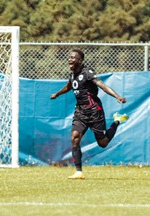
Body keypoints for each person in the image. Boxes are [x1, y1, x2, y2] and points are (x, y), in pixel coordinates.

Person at [50, 49, 129, 179]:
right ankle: (78, 172)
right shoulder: (72, 74)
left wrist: (117, 96)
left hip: (94, 111)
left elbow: (102, 85)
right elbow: (69, 86)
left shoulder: (87, 73)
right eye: (69, 57)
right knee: (75, 137)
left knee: (102, 143)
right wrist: (57, 94)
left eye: (73, 58)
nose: (70, 59)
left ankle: (117, 120)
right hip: (80, 111)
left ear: (80, 61)